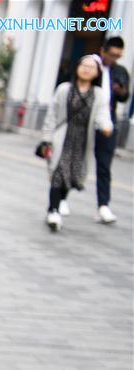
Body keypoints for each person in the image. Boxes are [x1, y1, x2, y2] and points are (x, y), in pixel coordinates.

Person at [42, 55, 113, 232]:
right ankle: (53, 210)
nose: (86, 69)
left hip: (82, 140)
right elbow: (52, 114)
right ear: (77, 67)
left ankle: (60, 201)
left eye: (91, 67)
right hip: (62, 137)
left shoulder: (99, 95)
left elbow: (103, 115)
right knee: (58, 172)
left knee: (72, 174)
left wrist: (106, 126)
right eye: (83, 65)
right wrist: (47, 138)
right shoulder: (64, 89)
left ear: (97, 73)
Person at [89, 36, 129, 223]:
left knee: (104, 164)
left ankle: (103, 205)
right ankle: (61, 199)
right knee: (75, 157)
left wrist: (121, 91)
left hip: (107, 120)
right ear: (102, 51)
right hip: (86, 118)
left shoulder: (120, 71)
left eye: (118, 56)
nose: (114, 59)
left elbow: (125, 96)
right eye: (112, 55)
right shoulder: (91, 66)